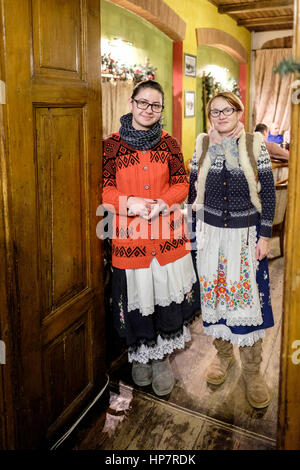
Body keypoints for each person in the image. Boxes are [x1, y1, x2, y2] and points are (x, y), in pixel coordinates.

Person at [102, 80, 200, 397]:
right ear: (131, 103)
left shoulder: (169, 144)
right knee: (137, 300)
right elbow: (104, 189)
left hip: (166, 236)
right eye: (143, 103)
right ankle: (140, 358)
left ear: (161, 110)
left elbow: (182, 184)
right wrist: (128, 202)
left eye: (155, 105)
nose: (148, 110)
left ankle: (161, 360)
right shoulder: (111, 145)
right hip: (130, 239)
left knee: (165, 300)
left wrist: (162, 203)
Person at [189, 92, 276, 409]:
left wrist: (264, 235)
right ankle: (223, 357)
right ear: (209, 115)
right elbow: (192, 189)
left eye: (227, 110)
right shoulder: (201, 145)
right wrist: (191, 234)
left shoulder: (255, 145)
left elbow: (268, 193)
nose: (221, 115)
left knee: (248, 300)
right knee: (216, 299)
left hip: (245, 238)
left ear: (239, 112)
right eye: (215, 111)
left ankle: (253, 372)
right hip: (211, 237)